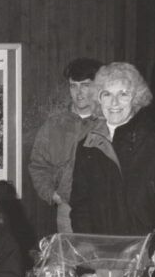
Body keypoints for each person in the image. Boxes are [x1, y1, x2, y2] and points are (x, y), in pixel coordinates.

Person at [70, 62, 155, 236]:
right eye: (106, 94)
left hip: (150, 252)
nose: (114, 102)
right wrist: (90, 249)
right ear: (98, 99)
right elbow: (80, 207)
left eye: (123, 94)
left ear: (137, 98)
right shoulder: (87, 146)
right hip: (103, 254)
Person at [28, 58, 102, 233]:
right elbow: (38, 165)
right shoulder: (54, 125)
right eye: (73, 86)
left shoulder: (110, 124)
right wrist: (53, 195)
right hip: (67, 211)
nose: (79, 92)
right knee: (70, 259)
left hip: (105, 210)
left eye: (85, 85)